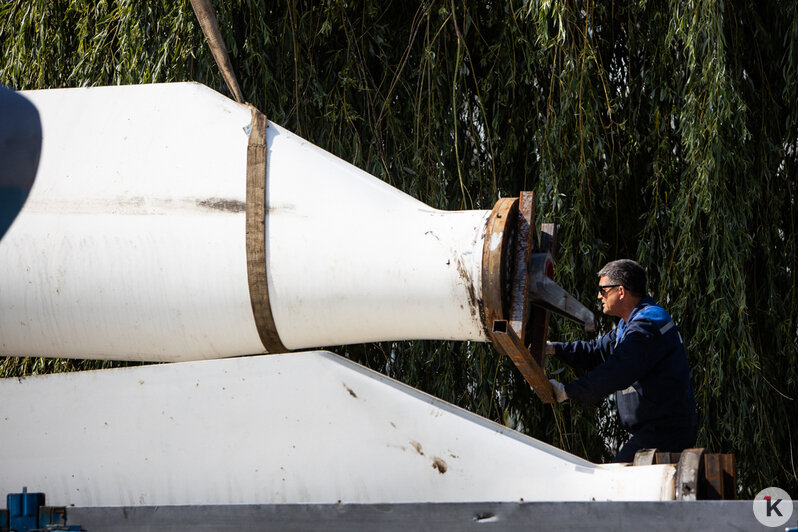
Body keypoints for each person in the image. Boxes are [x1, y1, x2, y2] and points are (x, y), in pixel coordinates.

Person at [546, 259, 697, 463]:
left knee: (615, 485)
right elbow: (596, 351)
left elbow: (617, 371)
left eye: (603, 289)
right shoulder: (628, 325)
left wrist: (568, 391)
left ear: (621, 291)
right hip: (655, 431)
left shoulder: (648, 324)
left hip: (666, 432)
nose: (599, 295)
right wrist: (553, 348)